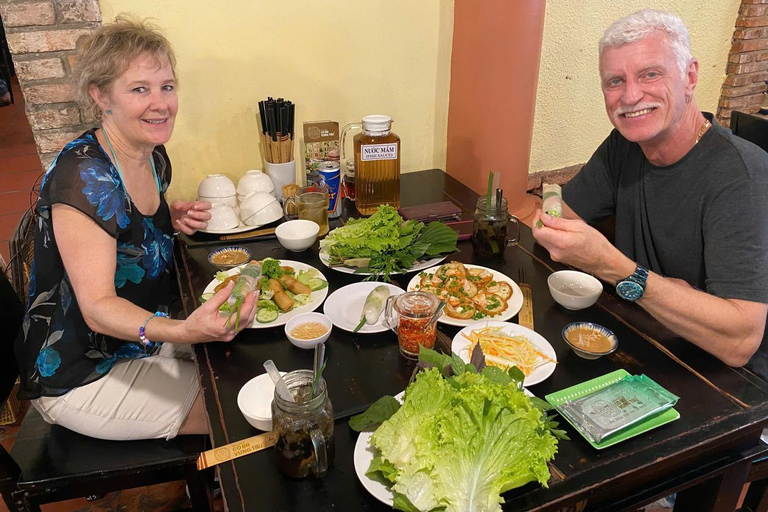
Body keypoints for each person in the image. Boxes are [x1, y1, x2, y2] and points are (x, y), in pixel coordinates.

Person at [14, 16, 258, 441]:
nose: (160, 103)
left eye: (166, 86)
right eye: (139, 89)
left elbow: (130, 232)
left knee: (250, 356)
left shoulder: (151, 154)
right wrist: (183, 331)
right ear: (100, 96)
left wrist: (168, 221)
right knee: (245, 408)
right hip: (82, 371)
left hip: (135, 341)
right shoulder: (85, 178)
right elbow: (98, 307)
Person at [533, 9, 768, 380]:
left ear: (690, 76)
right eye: (615, 81)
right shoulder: (624, 145)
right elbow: (560, 214)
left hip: (731, 386)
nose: (630, 95)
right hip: (649, 338)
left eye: (650, 74)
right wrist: (547, 213)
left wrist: (617, 269)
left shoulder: (742, 175)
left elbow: (739, 342)